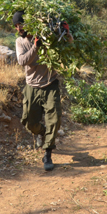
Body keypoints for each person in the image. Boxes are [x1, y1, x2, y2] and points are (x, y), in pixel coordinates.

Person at [12, 11, 72, 171]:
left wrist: (66, 33)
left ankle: (47, 154)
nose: (19, 28)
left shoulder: (48, 36)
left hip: (50, 84)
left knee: (55, 120)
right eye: (16, 26)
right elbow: (22, 61)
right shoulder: (20, 42)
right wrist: (35, 47)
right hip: (32, 86)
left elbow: (68, 47)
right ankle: (42, 133)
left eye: (21, 24)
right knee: (29, 122)